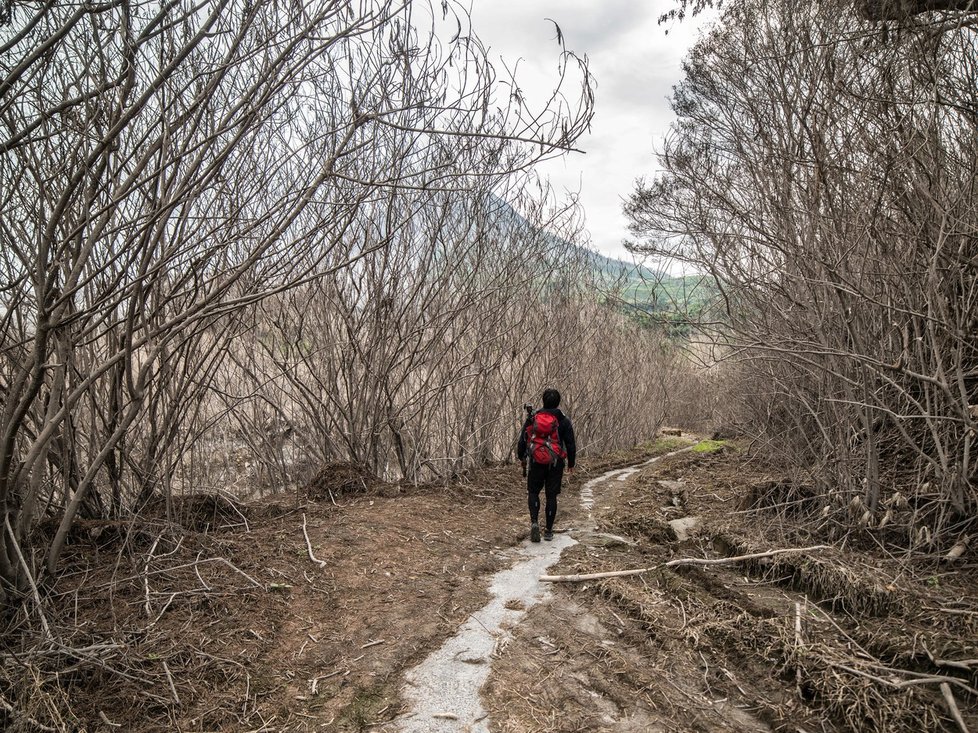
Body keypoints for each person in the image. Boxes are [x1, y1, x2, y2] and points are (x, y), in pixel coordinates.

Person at [517, 388, 576, 542]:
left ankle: (534, 523)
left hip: (536, 461)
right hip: (555, 463)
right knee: (551, 496)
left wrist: (521, 456)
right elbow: (570, 444)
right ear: (558, 402)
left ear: (543, 400)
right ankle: (549, 531)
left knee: (533, 492)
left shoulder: (534, 417)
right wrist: (571, 463)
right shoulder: (563, 420)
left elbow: (523, 439)